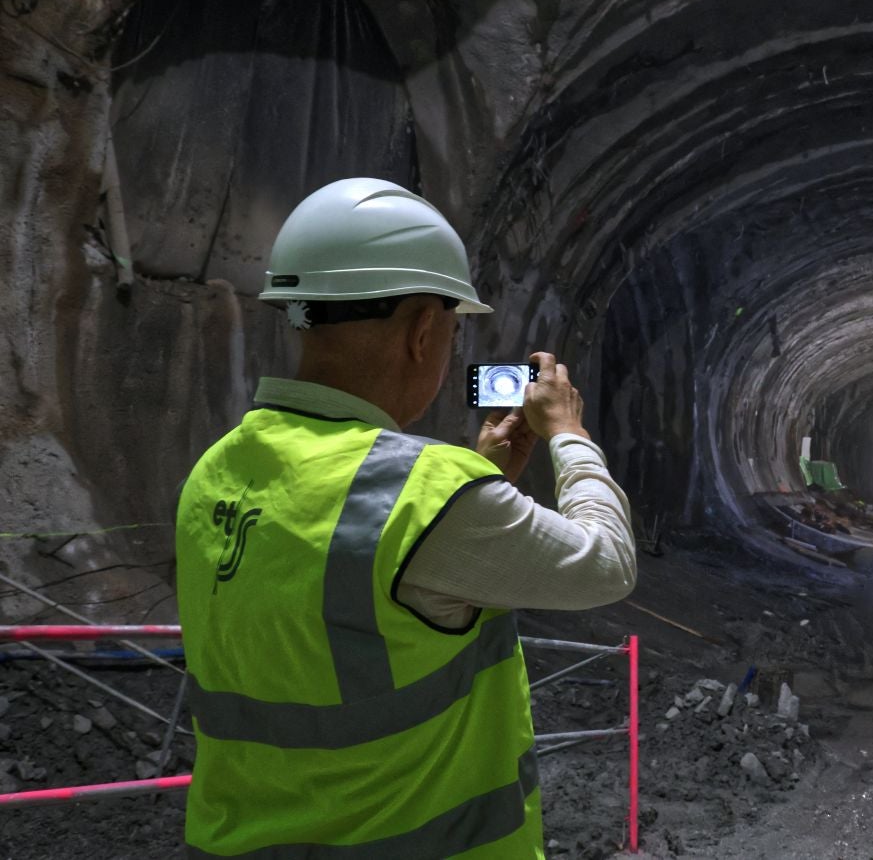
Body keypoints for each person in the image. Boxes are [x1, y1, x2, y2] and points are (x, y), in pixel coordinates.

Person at [175, 179, 636, 858]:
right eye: (451, 331)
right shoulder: (430, 497)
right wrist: (568, 434)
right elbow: (607, 562)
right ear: (424, 331)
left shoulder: (217, 470)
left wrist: (480, 484)